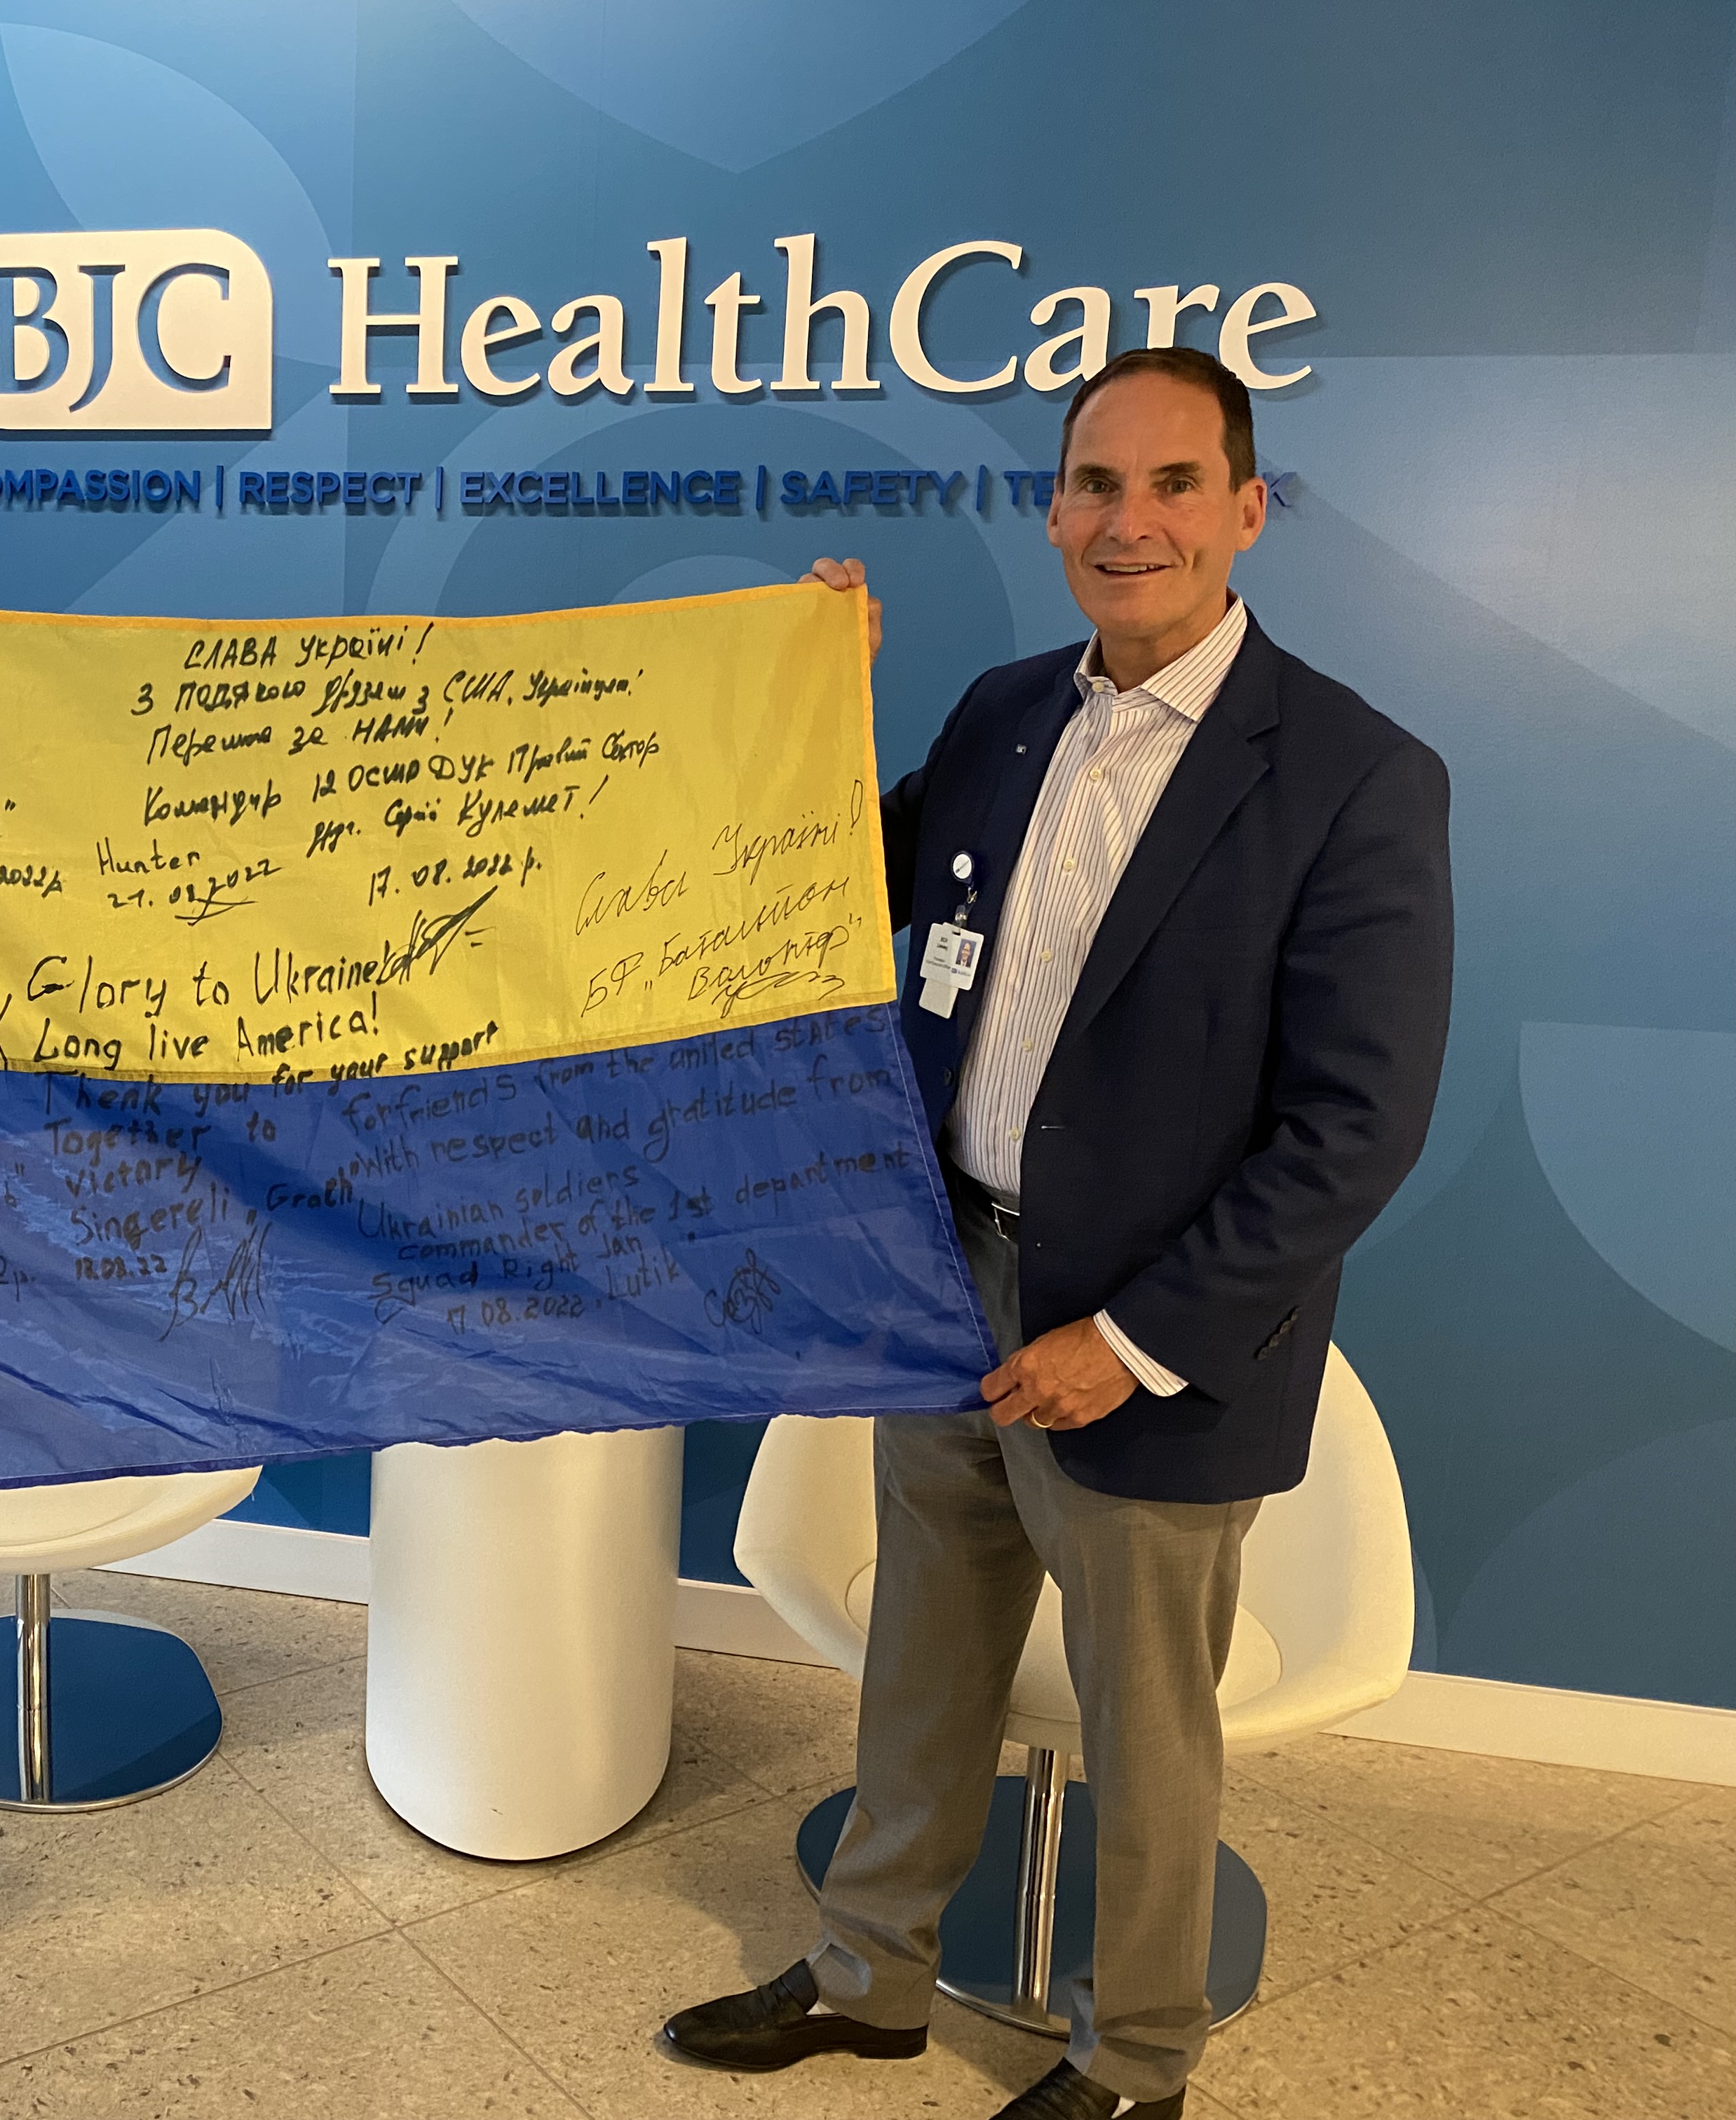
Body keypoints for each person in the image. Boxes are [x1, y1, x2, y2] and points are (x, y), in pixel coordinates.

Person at [661, 346, 1453, 2119]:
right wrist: (812, 701)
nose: (1132, 520)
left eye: (1177, 486)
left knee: (1142, 1726)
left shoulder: (1352, 776)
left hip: (1147, 1344)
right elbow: (833, 887)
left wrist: (1134, 1340)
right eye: (1097, 484)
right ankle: (870, 1977)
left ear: (1248, 511)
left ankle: (1135, 2057)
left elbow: (1354, 1129)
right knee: (924, 1654)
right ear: (1054, 507)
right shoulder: (1009, 711)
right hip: (943, 1284)